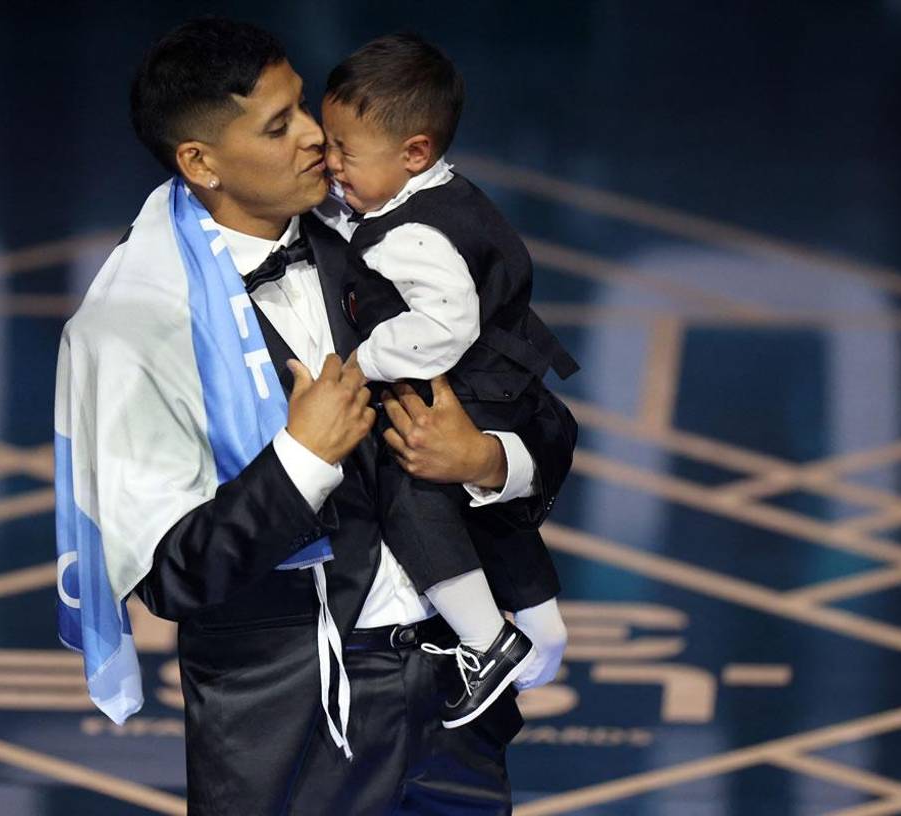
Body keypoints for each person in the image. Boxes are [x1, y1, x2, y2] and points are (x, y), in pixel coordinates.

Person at [56, 18, 572, 815]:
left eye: (302, 107)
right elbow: (174, 574)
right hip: (291, 725)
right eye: (279, 125)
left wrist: (487, 461)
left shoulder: (389, 235)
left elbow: (542, 416)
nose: (316, 141)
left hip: (452, 702)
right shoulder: (136, 325)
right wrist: (302, 455)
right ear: (201, 162)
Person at [315, 34, 580, 729]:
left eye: (345, 152)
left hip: (469, 387)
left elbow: (446, 325)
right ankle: (542, 627)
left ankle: (488, 641)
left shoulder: (410, 234)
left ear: (414, 154)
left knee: (413, 491)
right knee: (486, 508)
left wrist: (364, 363)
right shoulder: (439, 196)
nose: (330, 163)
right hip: (509, 379)